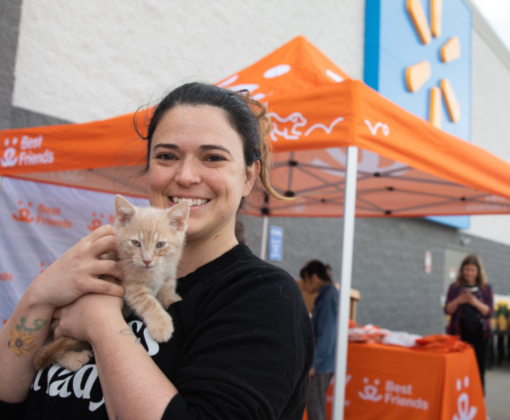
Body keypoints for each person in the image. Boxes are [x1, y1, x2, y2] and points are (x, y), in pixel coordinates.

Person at [0, 83, 314, 419]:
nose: (186, 175)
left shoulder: (263, 297)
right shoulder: (101, 273)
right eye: (167, 156)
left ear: (250, 177)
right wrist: (40, 294)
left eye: (213, 158)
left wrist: (102, 325)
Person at [445, 254, 494, 392]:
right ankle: (457, 405)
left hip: (480, 337)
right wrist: (459, 300)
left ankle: (479, 407)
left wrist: (474, 302)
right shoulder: (455, 287)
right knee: (458, 371)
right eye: (467, 269)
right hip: (459, 336)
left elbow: (489, 312)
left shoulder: (485, 288)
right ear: (462, 270)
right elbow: (448, 310)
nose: (469, 273)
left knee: (478, 372)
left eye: (472, 270)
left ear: (478, 271)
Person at [300, 260, 338, 420]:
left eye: (305, 281)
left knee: (315, 407)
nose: (304, 286)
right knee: (316, 405)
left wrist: (314, 362)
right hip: (325, 361)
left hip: (322, 363)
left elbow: (326, 334)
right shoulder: (329, 294)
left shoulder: (328, 296)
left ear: (314, 278)